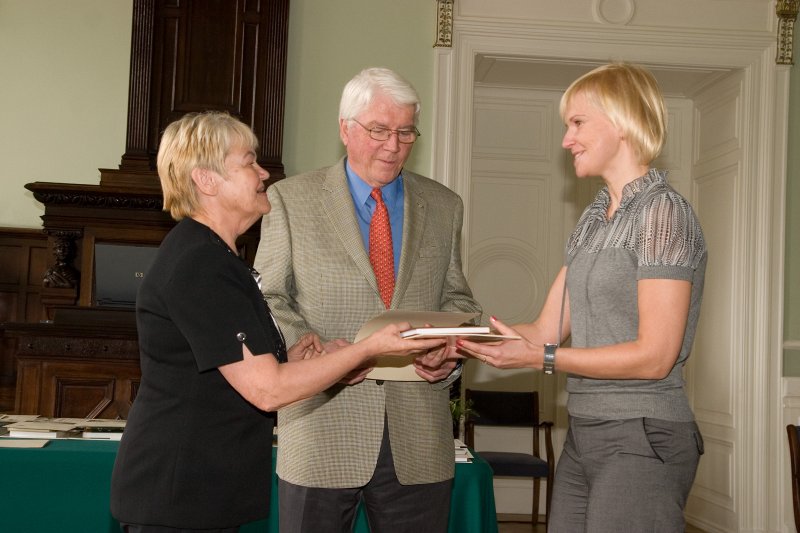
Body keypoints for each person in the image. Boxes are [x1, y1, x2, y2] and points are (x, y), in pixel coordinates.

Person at [109, 111, 445, 533]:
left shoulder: (215, 257)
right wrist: (370, 348)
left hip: (200, 493)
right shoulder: (200, 264)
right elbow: (267, 390)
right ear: (207, 181)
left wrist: (312, 360)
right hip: (179, 497)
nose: (263, 173)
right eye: (248, 162)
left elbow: (250, 367)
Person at [457, 63, 707, 532]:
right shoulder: (593, 219)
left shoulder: (663, 214)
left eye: (577, 123)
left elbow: (655, 357)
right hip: (585, 431)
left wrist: (544, 358)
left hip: (643, 434)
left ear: (622, 120)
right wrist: (459, 337)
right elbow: (544, 330)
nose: (566, 140)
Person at [254, 67, 481, 533]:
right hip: (321, 426)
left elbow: (458, 300)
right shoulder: (288, 200)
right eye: (379, 130)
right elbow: (268, 296)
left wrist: (449, 355)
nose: (393, 145)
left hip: (417, 437)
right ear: (345, 129)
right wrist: (313, 348)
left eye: (405, 132)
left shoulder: (444, 205)